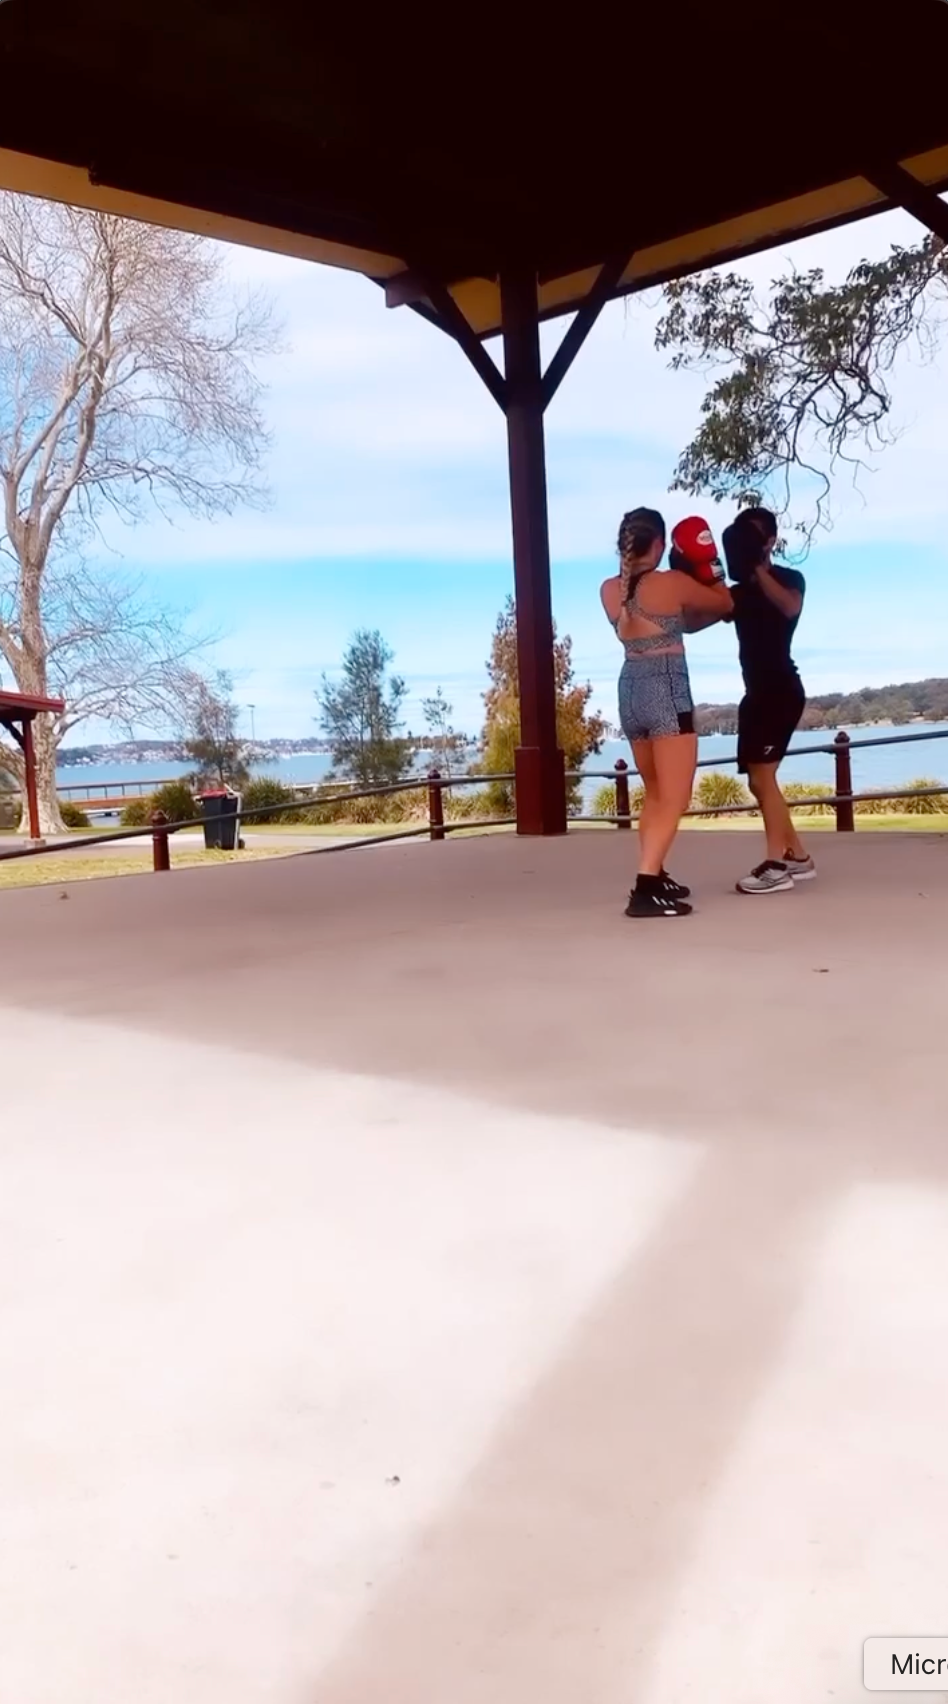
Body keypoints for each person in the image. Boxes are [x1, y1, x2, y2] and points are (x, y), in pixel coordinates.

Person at [600, 508, 732, 917]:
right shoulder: (672, 582)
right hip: (666, 689)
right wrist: (707, 566)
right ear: (659, 545)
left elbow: (685, 623)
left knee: (656, 793)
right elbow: (725, 603)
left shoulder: (610, 590)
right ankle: (644, 887)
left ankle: (654, 874)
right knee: (675, 797)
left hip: (630, 689)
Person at [722, 506, 816, 894]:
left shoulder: (789, 579)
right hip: (755, 696)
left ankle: (776, 866)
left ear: (771, 540)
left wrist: (758, 565)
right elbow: (698, 618)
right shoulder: (739, 594)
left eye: (754, 534)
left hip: (781, 690)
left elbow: (790, 606)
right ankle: (798, 857)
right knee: (759, 785)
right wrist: (695, 575)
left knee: (764, 776)